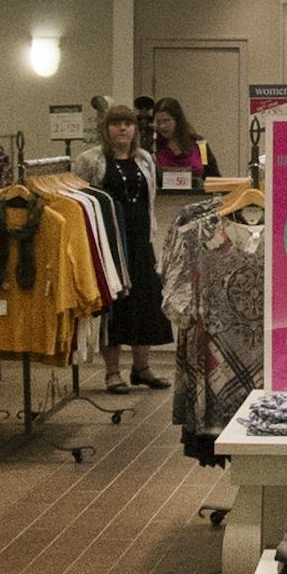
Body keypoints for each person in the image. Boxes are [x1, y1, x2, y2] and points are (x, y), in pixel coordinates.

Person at [72, 103, 175, 392]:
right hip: (109, 247)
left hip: (141, 243)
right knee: (114, 308)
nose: (122, 129)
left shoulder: (144, 159)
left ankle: (142, 368)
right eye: (116, 124)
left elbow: (148, 199)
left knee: (145, 303)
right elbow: (80, 201)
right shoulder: (90, 161)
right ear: (105, 129)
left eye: (128, 124)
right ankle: (112, 372)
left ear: (135, 130)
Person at [153, 99, 220, 182]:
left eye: (166, 121)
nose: (162, 126)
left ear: (177, 120)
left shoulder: (200, 143)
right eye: (158, 122)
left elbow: (213, 175)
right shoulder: (154, 146)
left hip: (197, 193)